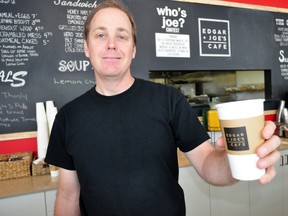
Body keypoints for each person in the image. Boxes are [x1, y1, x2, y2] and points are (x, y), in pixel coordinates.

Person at [45, 0, 281, 215]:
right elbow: (68, 195)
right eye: (100, 35)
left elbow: (208, 163)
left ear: (134, 49)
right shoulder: (68, 117)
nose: (111, 45)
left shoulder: (168, 99)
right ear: (86, 47)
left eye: (122, 36)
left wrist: (241, 160)